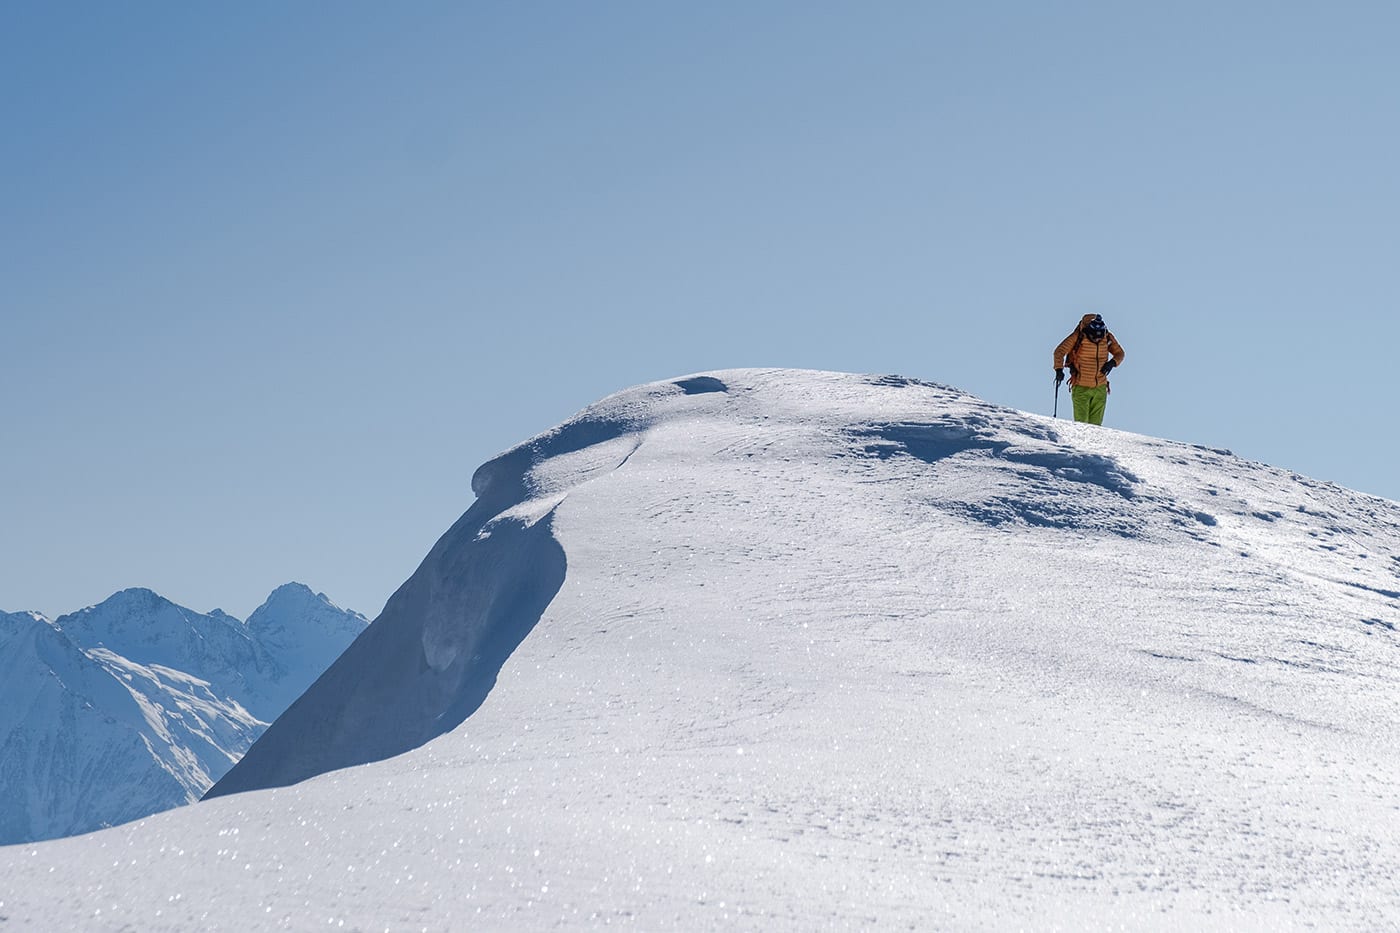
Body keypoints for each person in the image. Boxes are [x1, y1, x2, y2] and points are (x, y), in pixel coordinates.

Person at [1053, 313, 1125, 425]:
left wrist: (1112, 363)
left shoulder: (1107, 337)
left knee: (1095, 428)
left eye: (1099, 337)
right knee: (1082, 426)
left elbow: (1120, 353)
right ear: (1088, 331)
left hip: (1100, 388)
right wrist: (1059, 369)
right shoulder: (1078, 336)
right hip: (1081, 388)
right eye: (1093, 337)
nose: (1096, 339)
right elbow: (1059, 351)